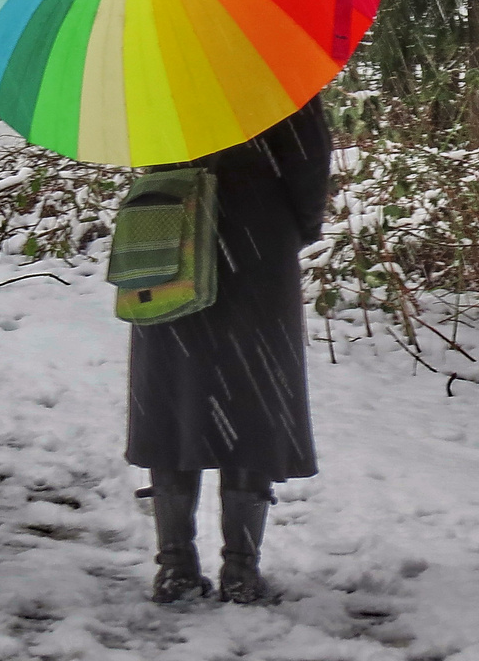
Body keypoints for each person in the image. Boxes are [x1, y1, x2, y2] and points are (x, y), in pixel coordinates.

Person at [126, 95, 331, 604]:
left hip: (168, 231)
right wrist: (291, 226)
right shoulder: (271, 63)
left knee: (173, 392)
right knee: (252, 393)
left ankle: (174, 565)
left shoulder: (153, 61)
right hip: (257, 234)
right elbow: (309, 159)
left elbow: (141, 145)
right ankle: (240, 570)